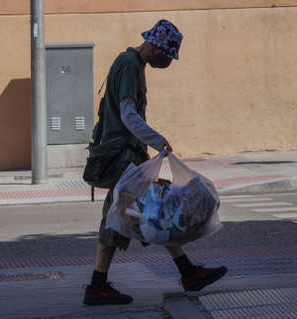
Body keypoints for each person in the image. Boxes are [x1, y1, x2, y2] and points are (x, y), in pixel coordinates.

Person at [83, 20, 227, 306]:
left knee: (144, 215)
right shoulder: (129, 64)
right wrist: (157, 139)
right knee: (154, 213)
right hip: (123, 156)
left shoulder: (135, 65)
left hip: (127, 156)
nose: (166, 62)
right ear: (153, 46)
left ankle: (99, 286)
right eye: (165, 56)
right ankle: (186, 273)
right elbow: (127, 113)